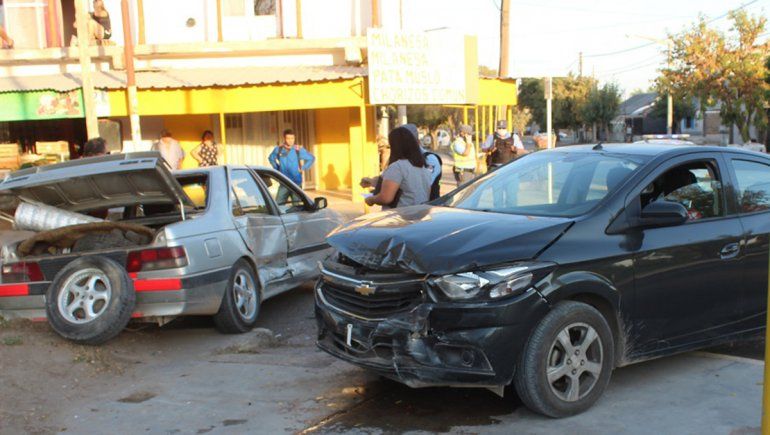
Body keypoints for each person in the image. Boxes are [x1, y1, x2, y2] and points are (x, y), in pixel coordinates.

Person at [365, 126, 432, 209]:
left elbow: (386, 198)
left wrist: (371, 199)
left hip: (400, 217)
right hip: (419, 215)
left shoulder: (397, 167)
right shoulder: (423, 167)